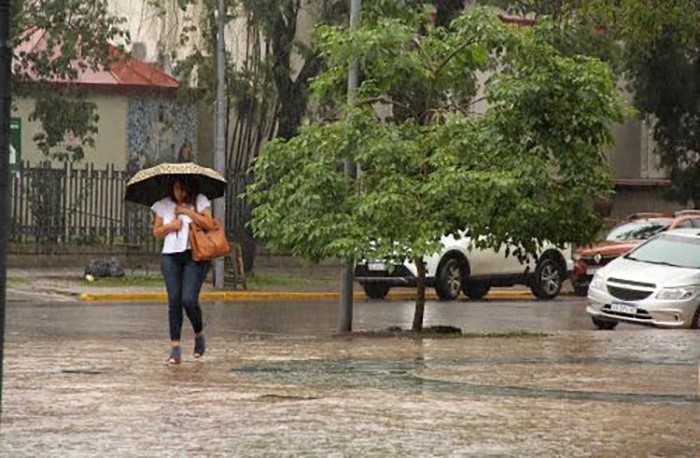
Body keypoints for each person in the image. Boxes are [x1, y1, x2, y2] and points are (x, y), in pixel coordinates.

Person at [151, 176, 214, 364]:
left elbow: (209, 224)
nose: (179, 193)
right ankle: (175, 347)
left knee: (189, 299)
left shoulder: (200, 200)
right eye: (176, 189)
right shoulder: (163, 204)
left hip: (194, 256)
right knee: (174, 300)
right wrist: (171, 226)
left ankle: (199, 333)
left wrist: (188, 212)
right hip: (170, 256)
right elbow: (157, 232)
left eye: (183, 189)